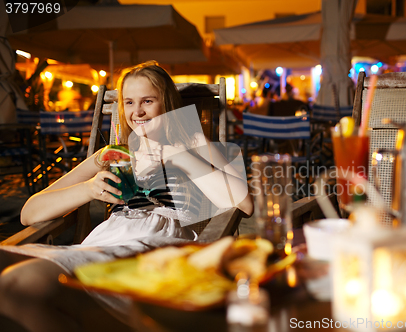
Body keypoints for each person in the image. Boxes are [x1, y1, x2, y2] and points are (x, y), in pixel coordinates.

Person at [0, 61, 253, 332]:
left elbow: (244, 203)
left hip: (153, 247)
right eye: (129, 102)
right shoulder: (112, 154)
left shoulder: (192, 143)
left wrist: (176, 156)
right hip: (104, 240)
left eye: (147, 101)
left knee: (18, 284)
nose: (138, 112)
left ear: (166, 103)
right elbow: (30, 214)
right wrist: (88, 189)